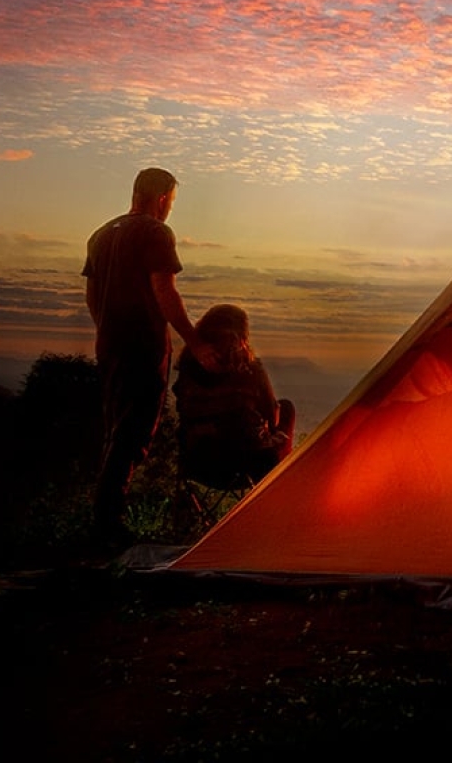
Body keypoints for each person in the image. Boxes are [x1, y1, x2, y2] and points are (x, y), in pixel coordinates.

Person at [83, 167, 215, 543]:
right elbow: (165, 291)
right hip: (142, 345)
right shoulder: (156, 232)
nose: (170, 207)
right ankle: (107, 527)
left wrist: (105, 330)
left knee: (115, 427)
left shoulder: (101, 234)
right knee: (134, 431)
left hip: (109, 345)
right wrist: (194, 340)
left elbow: (92, 296)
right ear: (162, 198)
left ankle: (103, 519)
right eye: (171, 200)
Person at [172, 304, 296, 488]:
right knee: (286, 408)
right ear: (242, 335)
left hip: (196, 465)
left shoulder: (187, 367)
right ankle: (280, 487)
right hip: (248, 465)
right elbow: (273, 416)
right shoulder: (250, 369)